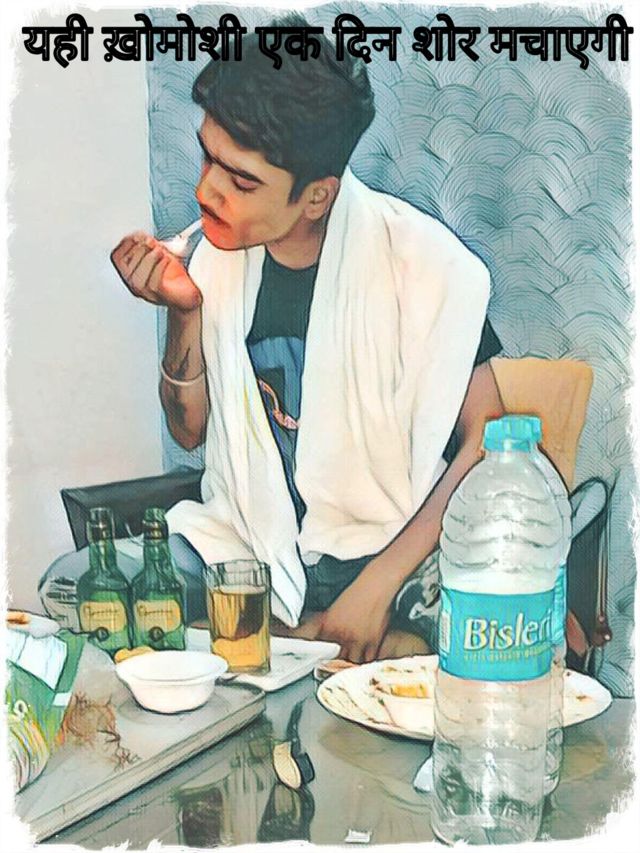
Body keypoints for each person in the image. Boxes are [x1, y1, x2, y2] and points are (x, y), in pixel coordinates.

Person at [110, 16, 504, 663]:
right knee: (89, 585)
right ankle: (322, 643)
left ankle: (299, 641)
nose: (206, 191)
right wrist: (184, 311)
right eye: (208, 157)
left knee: (481, 626)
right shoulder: (214, 262)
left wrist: (378, 586)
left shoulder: (425, 265)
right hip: (252, 544)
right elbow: (188, 432)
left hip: (387, 547)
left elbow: (489, 442)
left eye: (241, 181)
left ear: (317, 196)